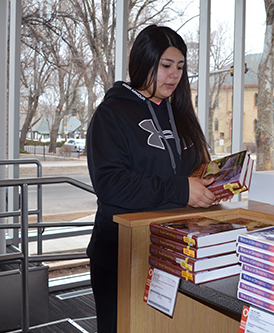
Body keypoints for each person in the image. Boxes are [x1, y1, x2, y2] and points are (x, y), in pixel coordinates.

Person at [86, 24, 229, 333]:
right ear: (142, 62)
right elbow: (111, 185)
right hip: (122, 252)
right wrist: (182, 190)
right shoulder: (111, 114)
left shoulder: (178, 112)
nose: (174, 75)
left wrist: (212, 186)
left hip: (173, 250)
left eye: (179, 67)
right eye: (165, 66)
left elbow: (189, 173)